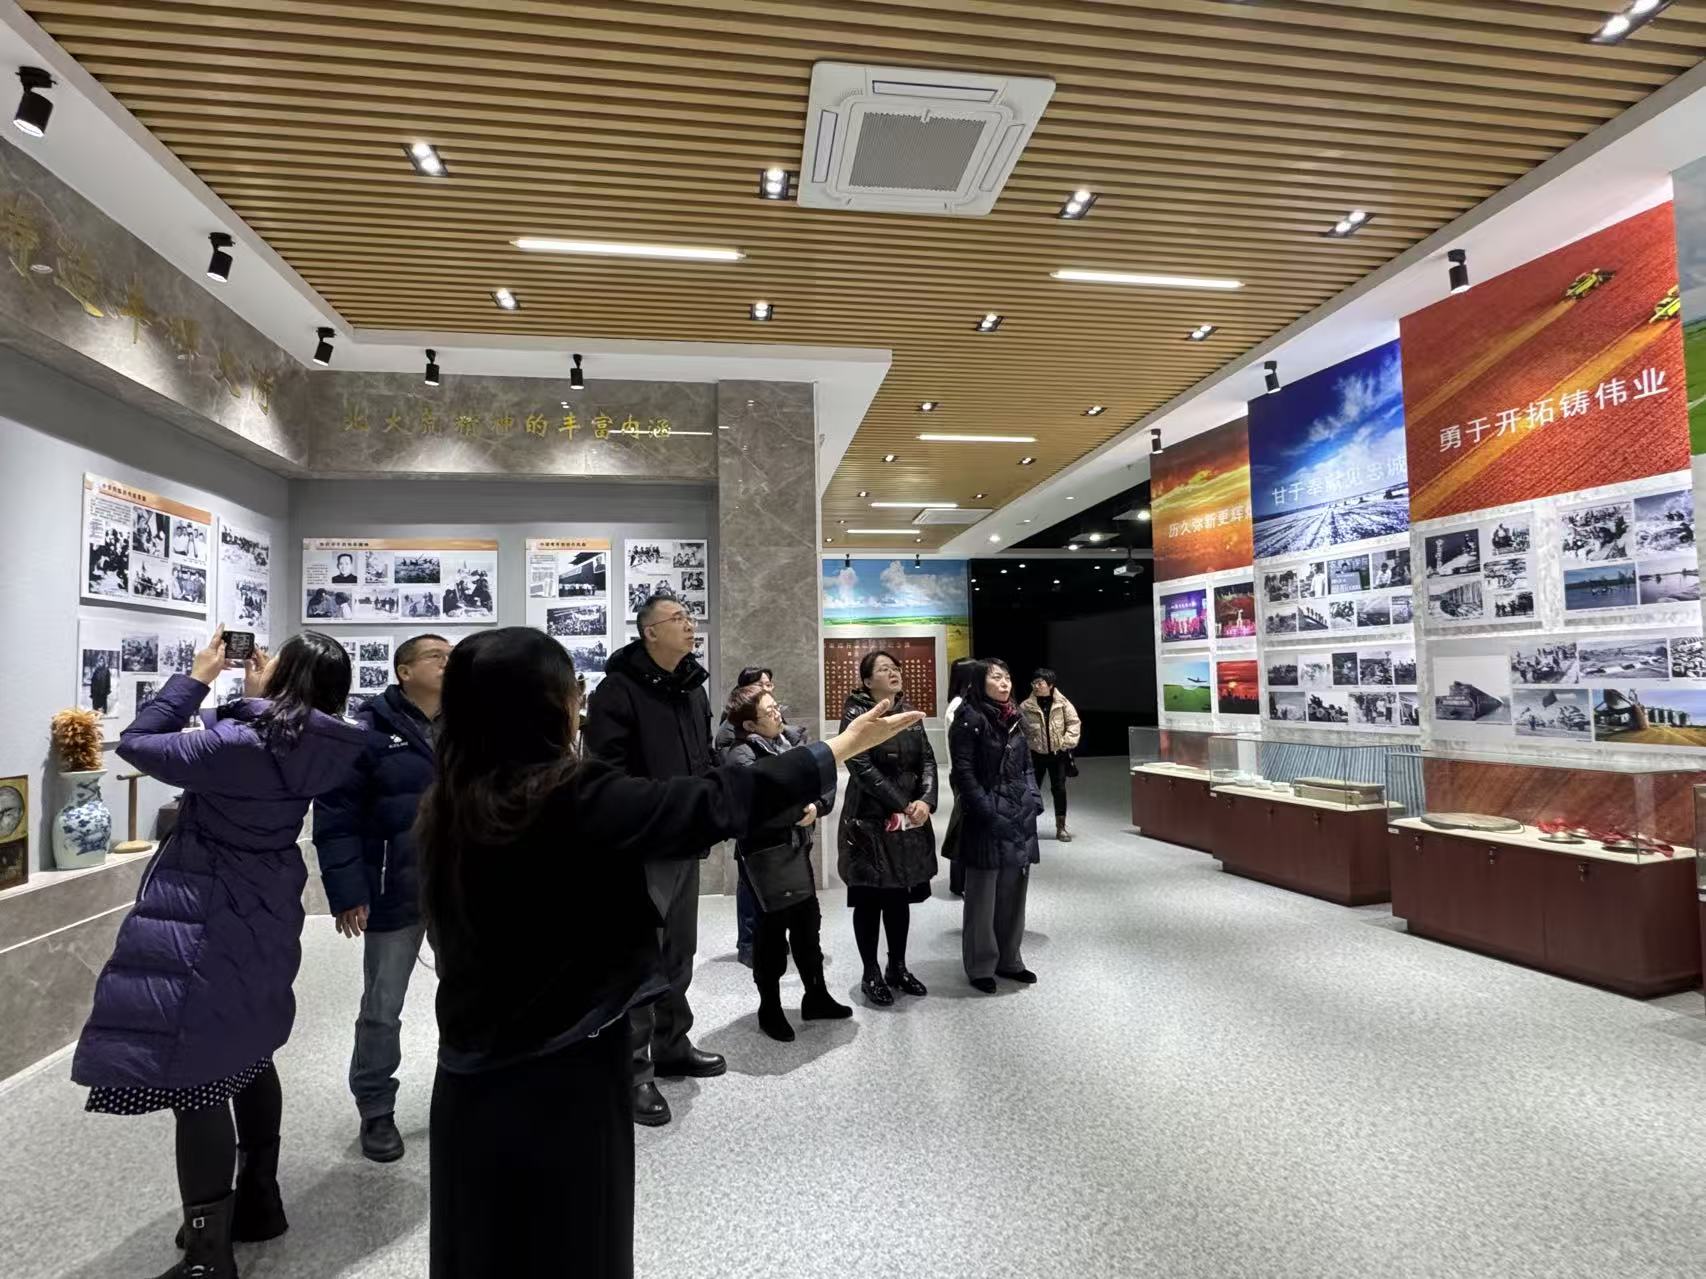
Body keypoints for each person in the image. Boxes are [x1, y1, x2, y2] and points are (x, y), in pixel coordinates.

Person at [420, 627, 921, 1277]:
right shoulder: (564, 799)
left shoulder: (452, 799)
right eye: (571, 689)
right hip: (559, 1079)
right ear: (541, 705)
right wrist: (839, 749)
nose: (580, 702)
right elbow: (712, 800)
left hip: (471, 1082)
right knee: (573, 1243)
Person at [70, 626, 367, 1279]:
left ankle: (209, 1256)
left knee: (198, 1076)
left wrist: (199, 677)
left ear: (287, 682)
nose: (254, 667)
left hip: (207, 911)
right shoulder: (322, 745)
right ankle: (259, 1199)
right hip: (265, 905)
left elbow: (138, 742)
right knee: (248, 1049)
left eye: (269, 664)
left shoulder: (241, 743)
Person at [312, 632, 452, 1163]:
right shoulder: (366, 731)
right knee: (382, 1007)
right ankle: (375, 1108)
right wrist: (349, 891)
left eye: (453, 657)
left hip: (456, 886)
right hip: (396, 887)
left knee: (463, 995)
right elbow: (336, 815)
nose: (448, 664)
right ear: (403, 670)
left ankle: (458, 1094)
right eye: (436, 657)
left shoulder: (468, 726)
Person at [584, 593, 719, 1127]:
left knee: (679, 955)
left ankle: (672, 1045)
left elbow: (704, 760)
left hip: (686, 839)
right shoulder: (618, 692)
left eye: (690, 618)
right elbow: (607, 775)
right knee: (642, 960)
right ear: (648, 633)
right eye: (678, 620)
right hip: (644, 847)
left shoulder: (692, 690)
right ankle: (633, 1072)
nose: (690, 627)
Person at [724, 683, 850, 1040]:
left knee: (808, 927)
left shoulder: (788, 742)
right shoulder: (740, 756)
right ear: (749, 725)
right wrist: (800, 809)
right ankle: (770, 1008)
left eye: (777, 706)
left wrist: (815, 807)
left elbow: (821, 779)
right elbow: (759, 805)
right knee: (771, 935)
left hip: (795, 849)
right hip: (764, 857)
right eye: (768, 711)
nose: (778, 714)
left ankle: (817, 997)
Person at [837, 649, 938, 1006]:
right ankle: (870, 972)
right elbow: (860, 765)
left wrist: (925, 799)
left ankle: (898, 967)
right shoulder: (855, 712)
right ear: (867, 681)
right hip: (869, 819)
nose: (894, 673)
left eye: (896, 668)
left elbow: (927, 758)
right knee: (869, 897)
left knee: (898, 894)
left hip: (907, 820)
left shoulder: (908, 711)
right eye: (884, 669)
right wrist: (902, 803)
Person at [951, 658, 1042, 993]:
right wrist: (986, 810)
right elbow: (964, 772)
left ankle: (1010, 959)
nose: (1004, 684)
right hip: (986, 818)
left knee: (1013, 892)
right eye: (996, 678)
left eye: (1007, 677)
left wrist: (1033, 798)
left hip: (1019, 813)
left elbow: (1027, 764)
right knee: (983, 896)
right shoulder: (969, 718)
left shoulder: (1016, 718)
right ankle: (980, 965)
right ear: (979, 683)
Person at [714, 665, 775, 967]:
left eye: (770, 684)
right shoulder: (731, 731)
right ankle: (748, 943)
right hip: (750, 818)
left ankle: (766, 939)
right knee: (748, 884)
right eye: (763, 685)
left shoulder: (772, 721)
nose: (769, 689)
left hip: (772, 820)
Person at [1018, 667, 1083, 842]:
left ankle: (1061, 827)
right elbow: (1019, 730)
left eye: (1040, 683)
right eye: (1034, 683)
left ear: (1050, 685)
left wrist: (1066, 742)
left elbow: (1074, 722)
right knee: (1031, 791)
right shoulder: (1025, 706)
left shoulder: (1063, 704)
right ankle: (1028, 826)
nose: (1036, 686)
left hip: (1057, 755)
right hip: (1035, 755)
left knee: (1059, 790)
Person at [941, 656, 978, 897]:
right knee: (963, 828)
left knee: (966, 827)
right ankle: (959, 882)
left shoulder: (962, 703)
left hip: (963, 774)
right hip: (965, 776)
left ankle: (962, 881)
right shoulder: (959, 706)